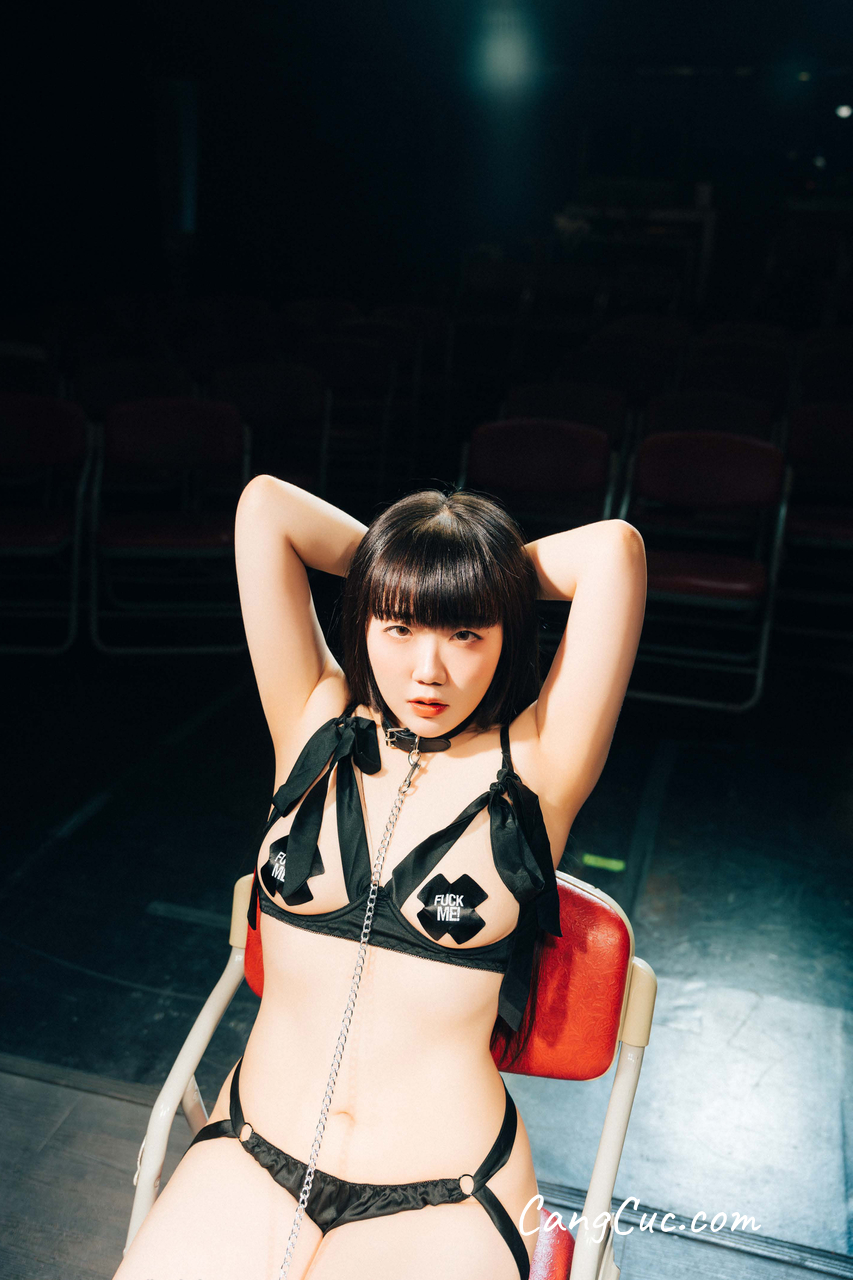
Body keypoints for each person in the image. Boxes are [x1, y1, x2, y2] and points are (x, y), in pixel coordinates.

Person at [114, 478, 646, 1280]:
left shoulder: (540, 765)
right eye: (397, 626)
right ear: (363, 618)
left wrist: (470, 572)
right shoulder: (311, 716)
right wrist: (407, 568)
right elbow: (265, 508)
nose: (427, 670)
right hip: (253, 1152)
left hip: (447, 1194)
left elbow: (614, 553)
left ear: (504, 633)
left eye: (465, 633)